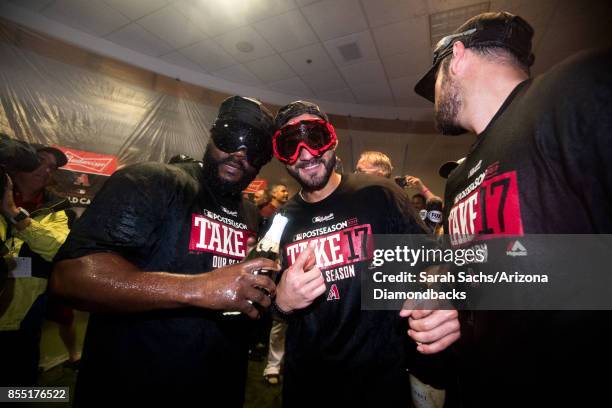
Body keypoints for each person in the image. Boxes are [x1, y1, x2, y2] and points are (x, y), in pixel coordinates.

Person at [414, 11, 612, 407]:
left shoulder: (576, 88)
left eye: (434, 80)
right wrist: (446, 302)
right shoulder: (458, 177)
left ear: (457, 55)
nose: (434, 95)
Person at [51, 96, 280, 406]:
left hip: (219, 382)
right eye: (231, 138)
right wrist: (197, 288)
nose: (240, 154)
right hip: (135, 383)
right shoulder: (153, 181)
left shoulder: (250, 214)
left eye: (255, 149)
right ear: (212, 135)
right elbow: (70, 277)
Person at [269, 100, 460, 407]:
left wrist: (435, 300)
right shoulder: (280, 222)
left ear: (333, 140)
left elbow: (430, 262)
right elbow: (257, 304)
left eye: (315, 138)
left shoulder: (378, 194)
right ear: (282, 157)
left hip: (379, 382)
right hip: (308, 384)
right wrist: (282, 302)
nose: (305, 154)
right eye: (290, 145)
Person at [0, 143, 71, 386]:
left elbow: (58, 247)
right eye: (40, 161)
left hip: (27, 305)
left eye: (52, 167)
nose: (46, 170)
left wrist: (14, 213)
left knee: (20, 378)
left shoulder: (58, 206)